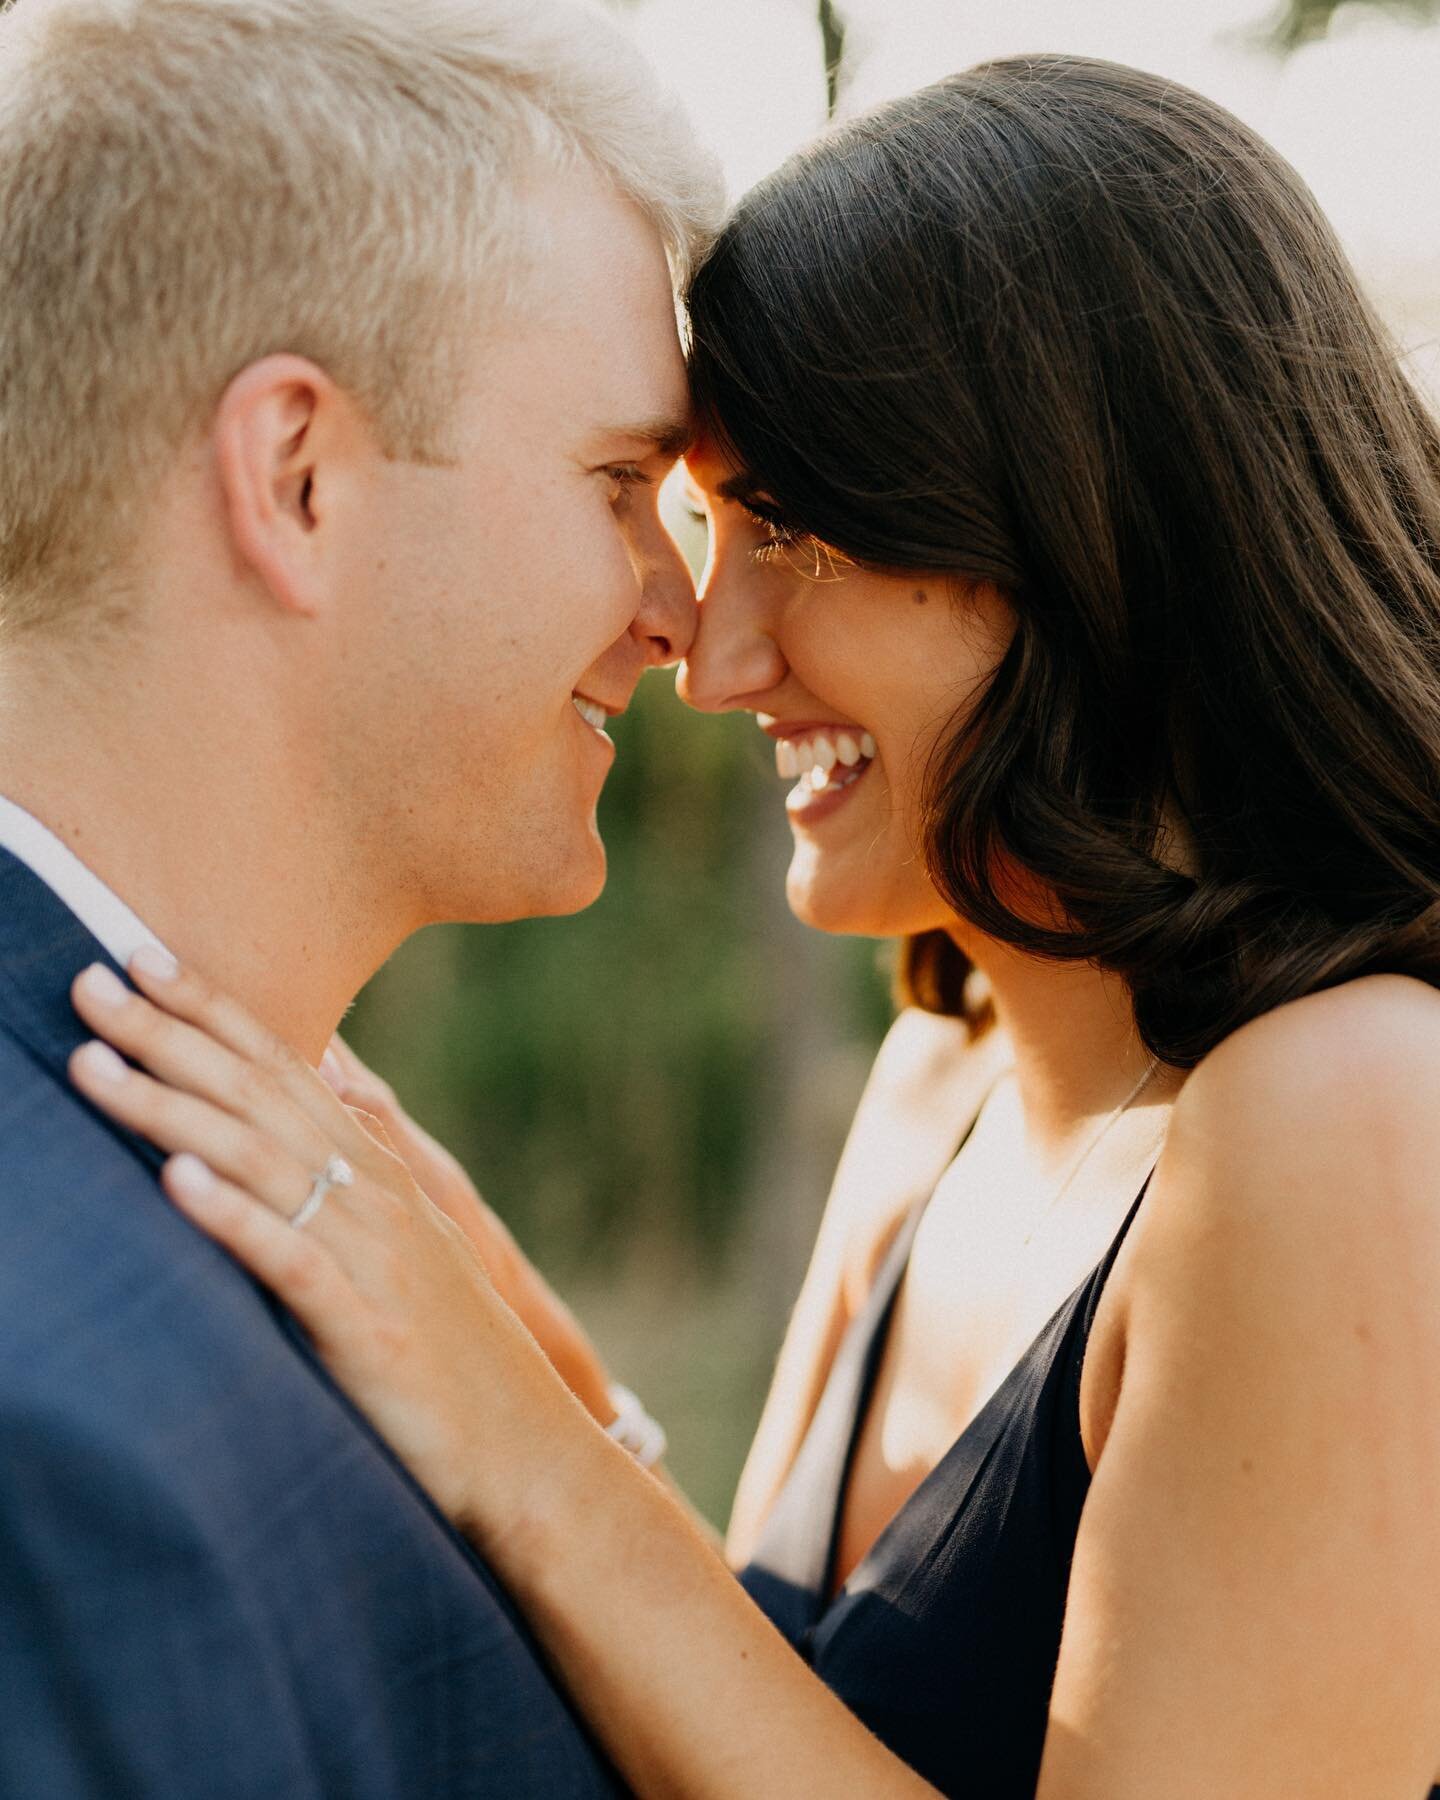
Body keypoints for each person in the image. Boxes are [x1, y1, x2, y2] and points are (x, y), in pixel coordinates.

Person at [68, 51, 1440, 1800]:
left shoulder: (1351, 1109)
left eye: (792, 531)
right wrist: (540, 1378)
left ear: (1091, 535)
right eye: (711, 526)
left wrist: (521, 1447)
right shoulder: (937, 1074)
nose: (710, 661)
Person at [0, 0, 719, 1793]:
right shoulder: (48, 1423)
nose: (681, 616)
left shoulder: (288, 1203)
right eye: (621, 483)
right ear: (297, 477)